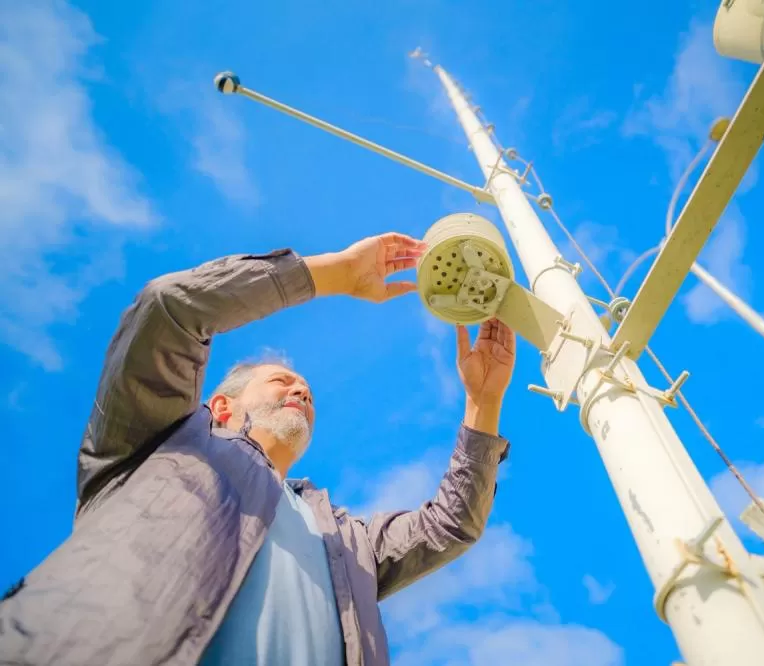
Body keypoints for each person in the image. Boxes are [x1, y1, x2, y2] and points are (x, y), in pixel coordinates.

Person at [0, 232, 516, 666]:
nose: (302, 392)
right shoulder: (159, 441)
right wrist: (336, 274)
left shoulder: (346, 540)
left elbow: (451, 525)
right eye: (281, 381)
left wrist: (483, 402)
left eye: (307, 392)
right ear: (222, 406)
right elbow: (168, 308)